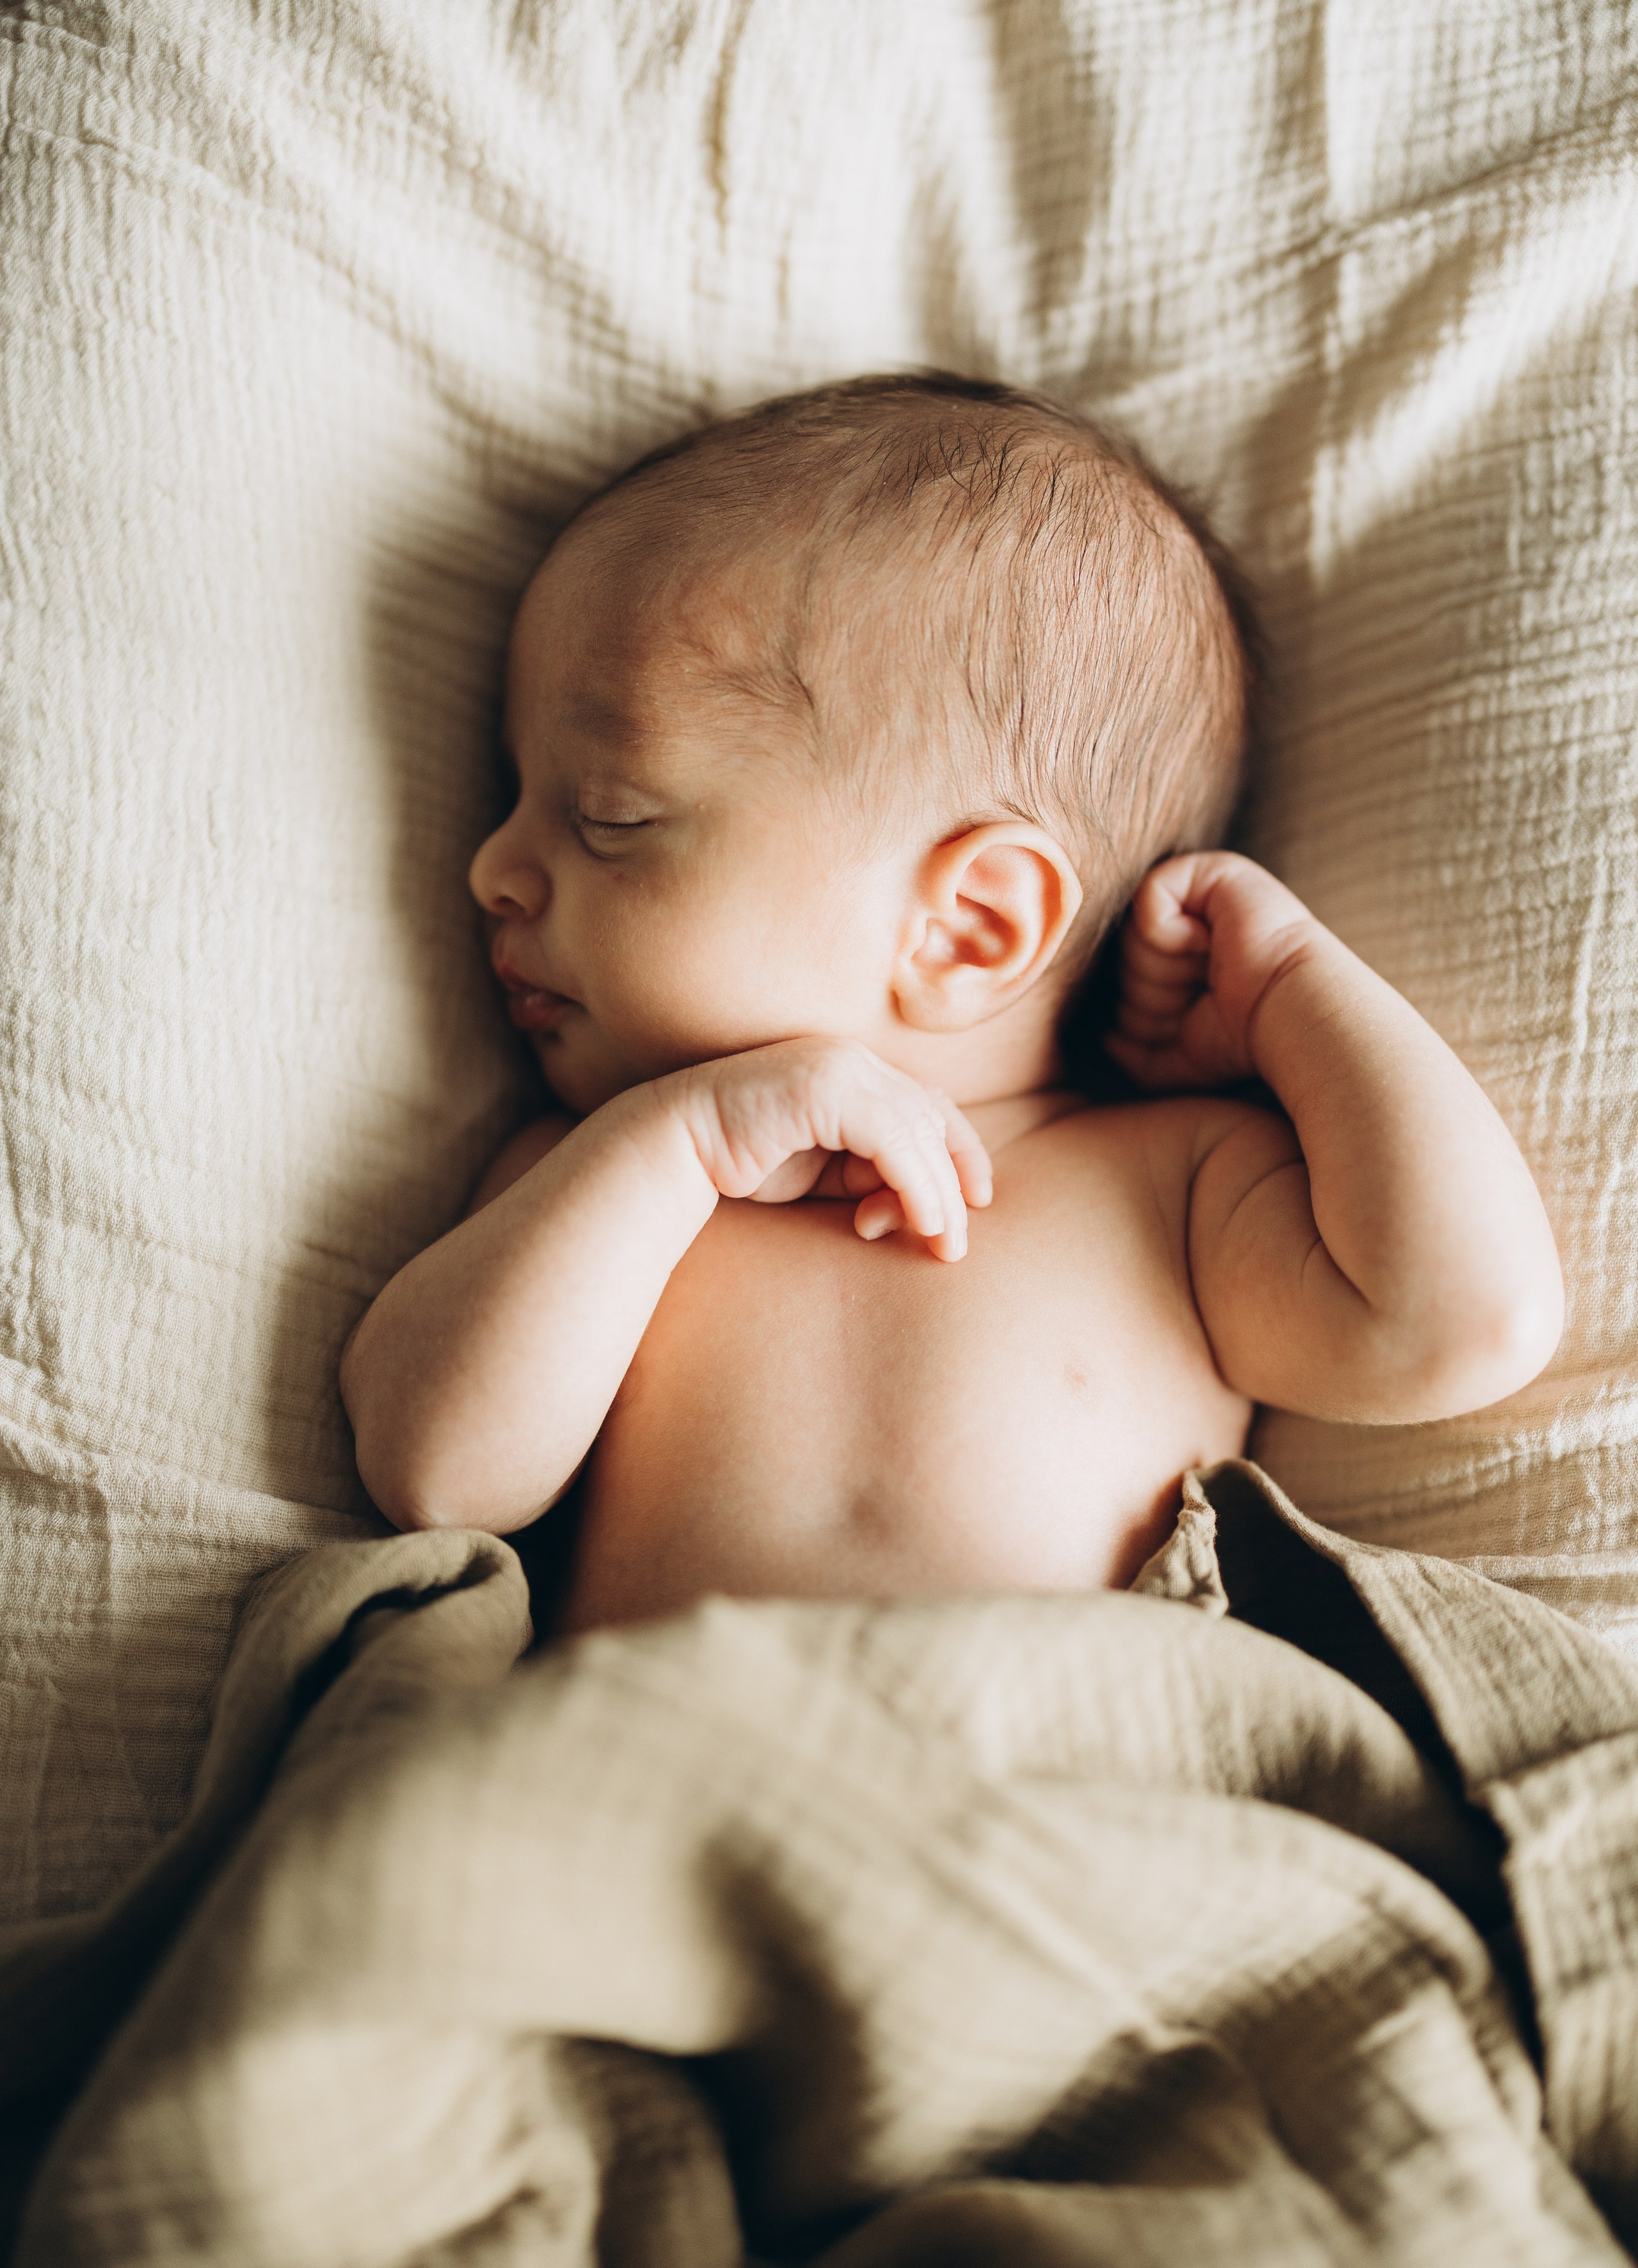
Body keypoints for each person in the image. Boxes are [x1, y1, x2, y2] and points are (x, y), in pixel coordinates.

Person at [340, 373, 1563, 1633]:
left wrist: (1286, 987)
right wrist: (678, 1147)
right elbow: (437, 1475)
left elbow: (1463, 1321)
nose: (491, 868)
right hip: (674, 1760)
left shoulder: (1172, 1185)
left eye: (610, 815)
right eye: (515, 791)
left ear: (971, 925)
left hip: (1045, 1777)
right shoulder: (597, 1179)